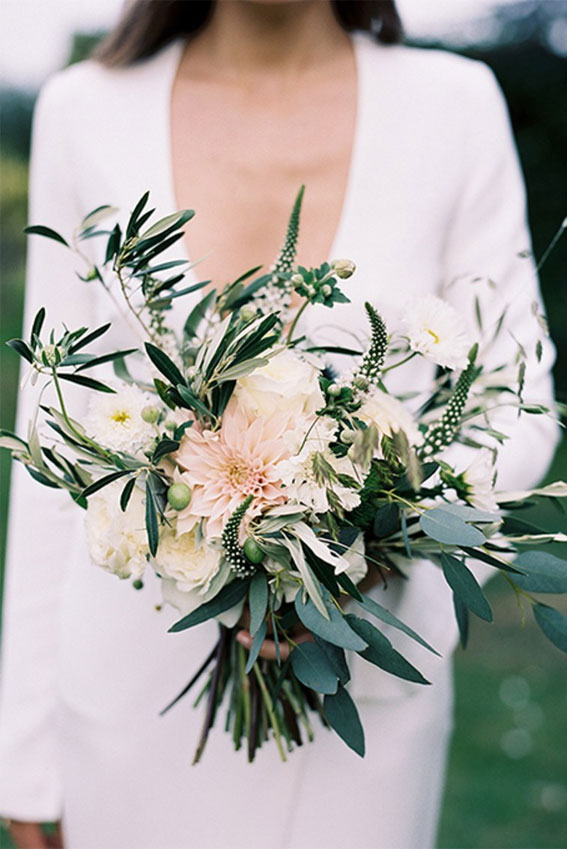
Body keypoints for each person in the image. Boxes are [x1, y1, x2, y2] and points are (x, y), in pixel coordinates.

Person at [0, 2, 558, 848]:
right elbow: (51, 428)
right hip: (126, 683)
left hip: (361, 677)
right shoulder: (86, 108)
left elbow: (515, 383)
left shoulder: (453, 104)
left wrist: (389, 529)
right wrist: (25, 756)